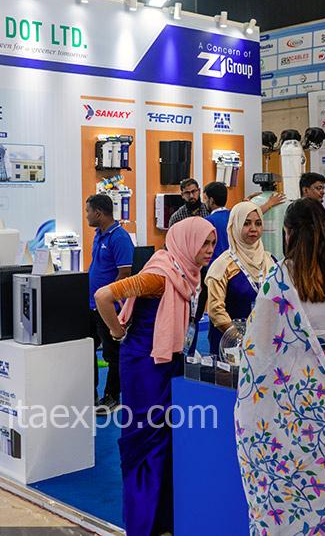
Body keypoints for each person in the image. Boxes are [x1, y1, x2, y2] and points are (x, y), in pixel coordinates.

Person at [235, 199, 325, 534]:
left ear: (288, 234)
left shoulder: (279, 279)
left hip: (296, 398)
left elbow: (260, 350)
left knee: (299, 471)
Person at [93, 217, 216, 536]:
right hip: (145, 367)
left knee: (167, 439)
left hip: (169, 362)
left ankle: (163, 519)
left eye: (212, 243)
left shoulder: (187, 274)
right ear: (187, 242)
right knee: (146, 442)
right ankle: (143, 523)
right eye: (203, 243)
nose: (209, 250)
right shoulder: (160, 276)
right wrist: (117, 332)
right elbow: (103, 296)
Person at [85, 193, 134, 415]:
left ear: (98, 213)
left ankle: (113, 397)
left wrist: (109, 298)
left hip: (109, 307)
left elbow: (125, 273)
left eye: (88, 211)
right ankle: (90, 392)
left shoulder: (119, 237)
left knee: (112, 355)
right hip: (92, 305)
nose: (86, 216)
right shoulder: (99, 235)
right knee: (87, 350)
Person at [205, 201, 274, 356]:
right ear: (235, 226)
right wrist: (241, 340)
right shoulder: (223, 265)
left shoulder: (269, 261)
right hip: (231, 346)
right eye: (246, 223)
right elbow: (215, 310)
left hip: (264, 344)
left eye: (258, 223)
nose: (253, 229)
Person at [203, 181, 231, 259]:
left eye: (205, 198)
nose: (204, 202)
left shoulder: (207, 221)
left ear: (211, 200)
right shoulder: (234, 216)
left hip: (214, 263)